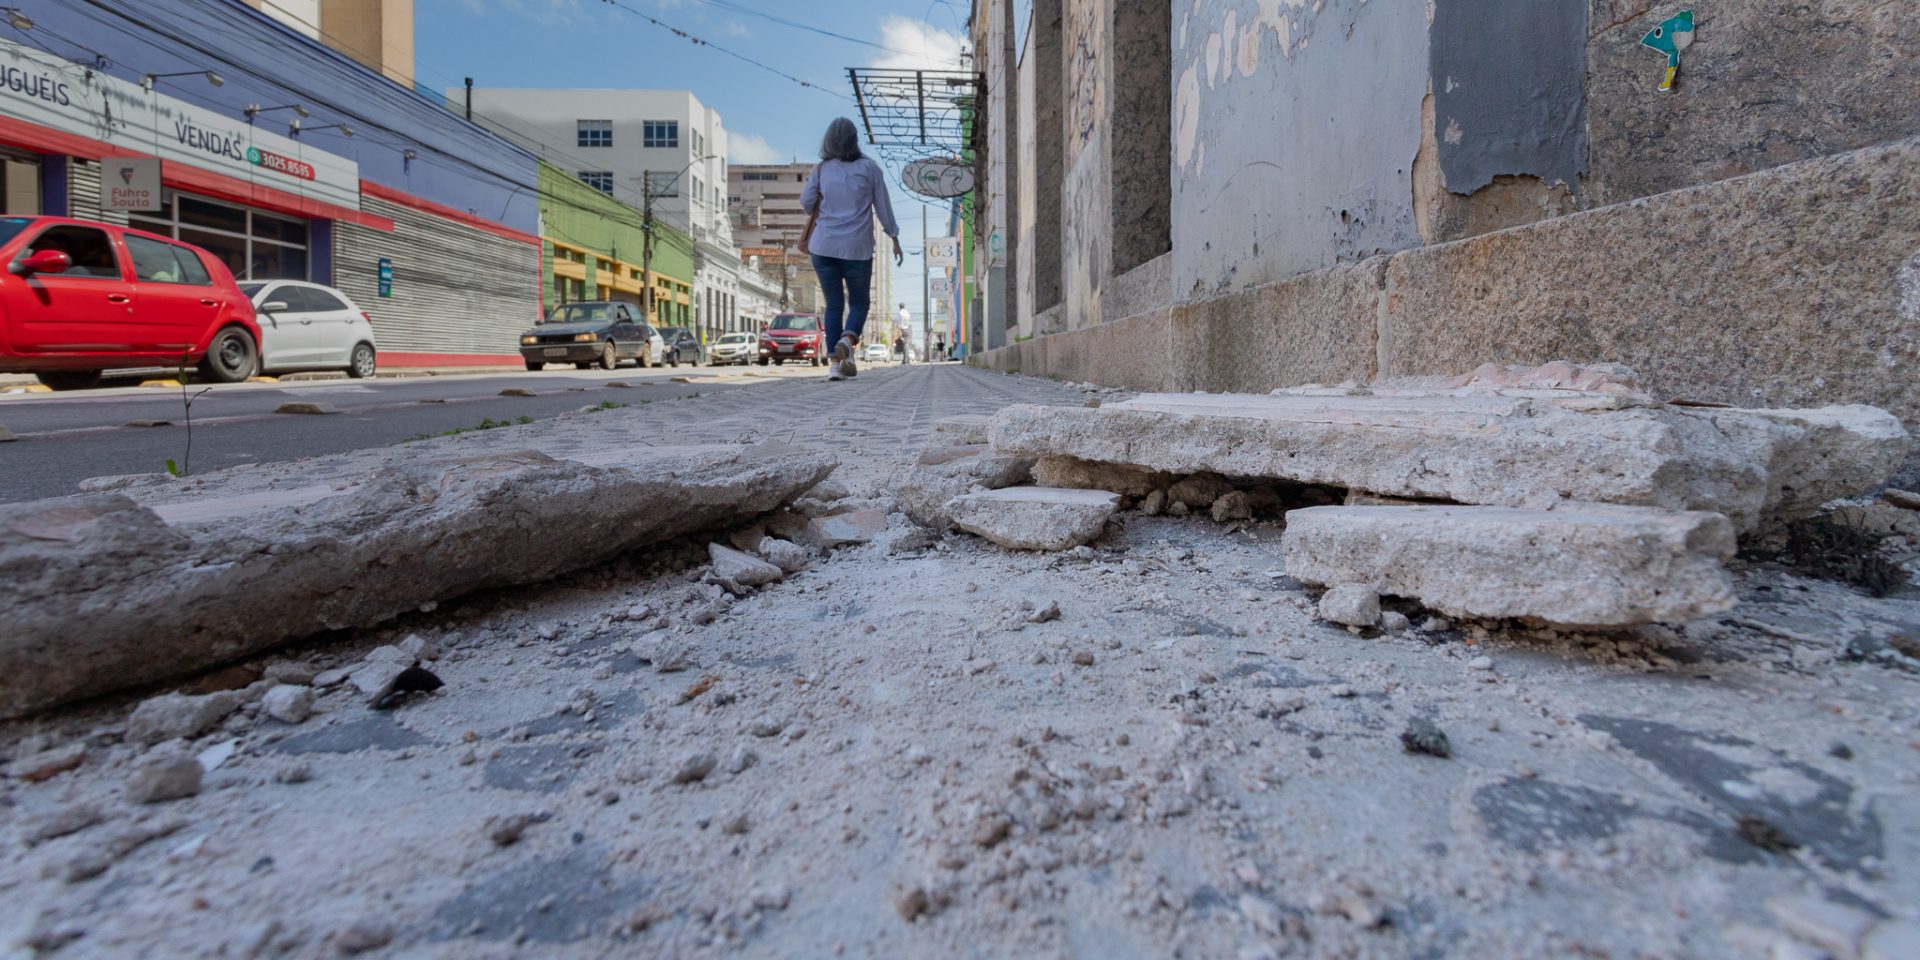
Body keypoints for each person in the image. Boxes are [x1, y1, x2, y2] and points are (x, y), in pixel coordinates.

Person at [802, 117, 902, 381]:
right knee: (859, 302)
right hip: (857, 248)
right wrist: (894, 237)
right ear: (854, 140)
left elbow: (806, 202)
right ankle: (848, 338)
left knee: (834, 305)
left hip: (823, 247)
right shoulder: (870, 169)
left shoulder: (822, 169)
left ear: (829, 140)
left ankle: (834, 367)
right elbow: (883, 207)